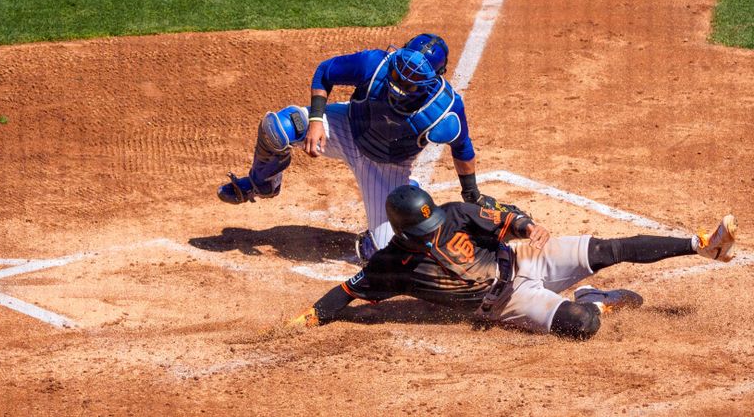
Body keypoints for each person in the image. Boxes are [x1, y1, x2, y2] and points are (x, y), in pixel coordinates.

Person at [287, 185, 738, 339]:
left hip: (521, 258)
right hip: (507, 304)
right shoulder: (389, 265)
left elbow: (503, 217)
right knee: (580, 324)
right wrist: (310, 316)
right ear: (401, 233)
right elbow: (346, 291)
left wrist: (525, 228)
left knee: (606, 249)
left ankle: (701, 243)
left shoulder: (452, 213)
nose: (432, 233)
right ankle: (598, 300)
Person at [218, 34, 485, 263]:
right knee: (278, 129)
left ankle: (396, 205)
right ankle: (261, 183)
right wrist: (315, 121)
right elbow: (325, 71)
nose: (400, 85)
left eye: (412, 81)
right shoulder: (374, 64)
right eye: (398, 73)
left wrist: (471, 193)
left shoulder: (445, 111)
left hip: (387, 165)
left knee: (387, 257)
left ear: (434, 79)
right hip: (346, 128)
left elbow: (462, 149)